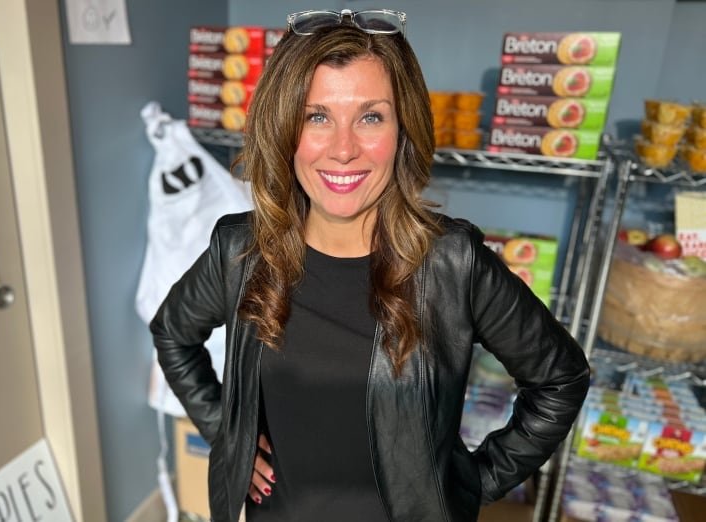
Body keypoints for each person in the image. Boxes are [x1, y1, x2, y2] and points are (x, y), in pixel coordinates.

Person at [151, 8, 590, 522]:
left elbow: (561, 379)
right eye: (317, 116)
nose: (343, 149)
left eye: (370, 116)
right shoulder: (241, 251)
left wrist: (468, 484)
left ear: (403, 129)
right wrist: (231, 438)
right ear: (284, 127)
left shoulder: (453, 263)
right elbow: (173, 334)